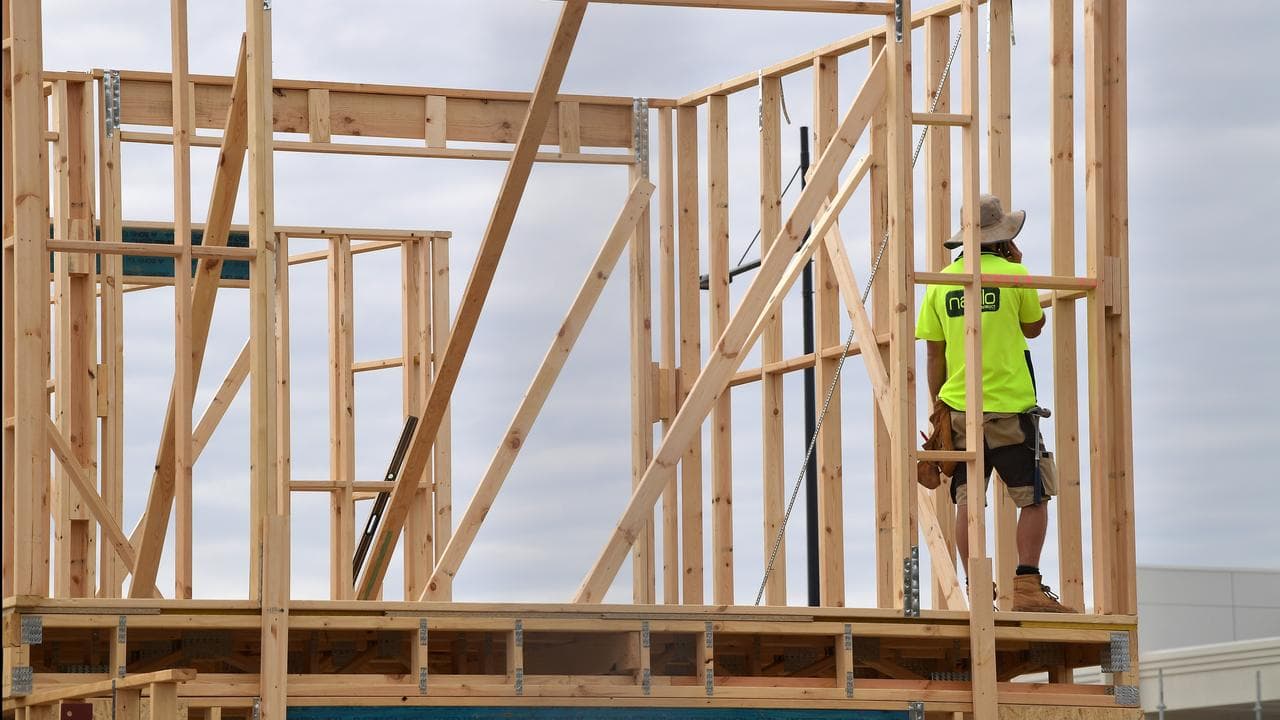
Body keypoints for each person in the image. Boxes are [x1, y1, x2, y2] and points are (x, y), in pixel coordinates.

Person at [915, 194, 1074, 613]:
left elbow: (935, 355)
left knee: (968, 501)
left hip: (960, 409)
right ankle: (1026, 587)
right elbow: (1034, 327)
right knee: (1034, 496)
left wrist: (940, 410)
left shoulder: (941, 282)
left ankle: (978, 592)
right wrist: (1017, 263)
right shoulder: (1015, 274)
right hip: (1010, 407)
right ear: (1002, 236)